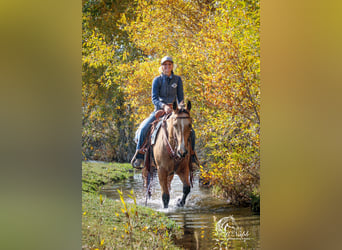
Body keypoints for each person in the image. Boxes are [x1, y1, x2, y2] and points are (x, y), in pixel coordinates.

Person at [131, 56, 198, 168]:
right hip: (159, 110)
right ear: (161, 67)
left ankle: (192, 156)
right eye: (165, 65)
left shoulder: (177, 79)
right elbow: (154, 98)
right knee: (143, 128)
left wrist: (181, 107)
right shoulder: (156, 80)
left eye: (169, 64)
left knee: (192, 131)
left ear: (172, 66)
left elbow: (180, 97)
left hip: (174, 111)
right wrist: (164, 106)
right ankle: (140, 155)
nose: (167, 67)